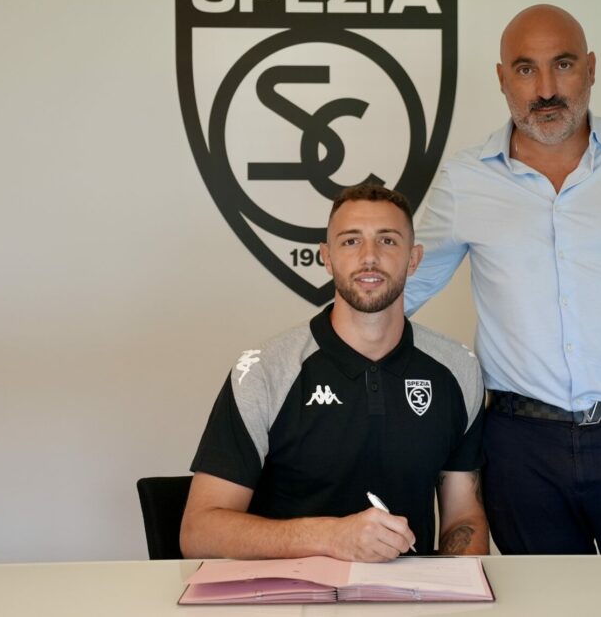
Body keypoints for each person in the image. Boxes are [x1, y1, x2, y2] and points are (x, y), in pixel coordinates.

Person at [405, 4, 601, 555]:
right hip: (521, 450)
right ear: (502, 78)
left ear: (591, 68)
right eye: (525, 69)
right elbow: (401, 289)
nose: (546, 89)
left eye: (563, 64)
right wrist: (316, 360)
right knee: (544, 599)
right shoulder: (464, 180)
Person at [181, 184, 489, 561]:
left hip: (409, 593)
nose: (370, 257)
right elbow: (199, 532)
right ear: (327, 258)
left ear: (413, 259)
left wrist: (459, 586)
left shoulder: (458, 368)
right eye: (350, 241)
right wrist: (331, 537)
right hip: (289, 590)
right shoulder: (264, 372)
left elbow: (463, 517)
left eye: (388, 241)